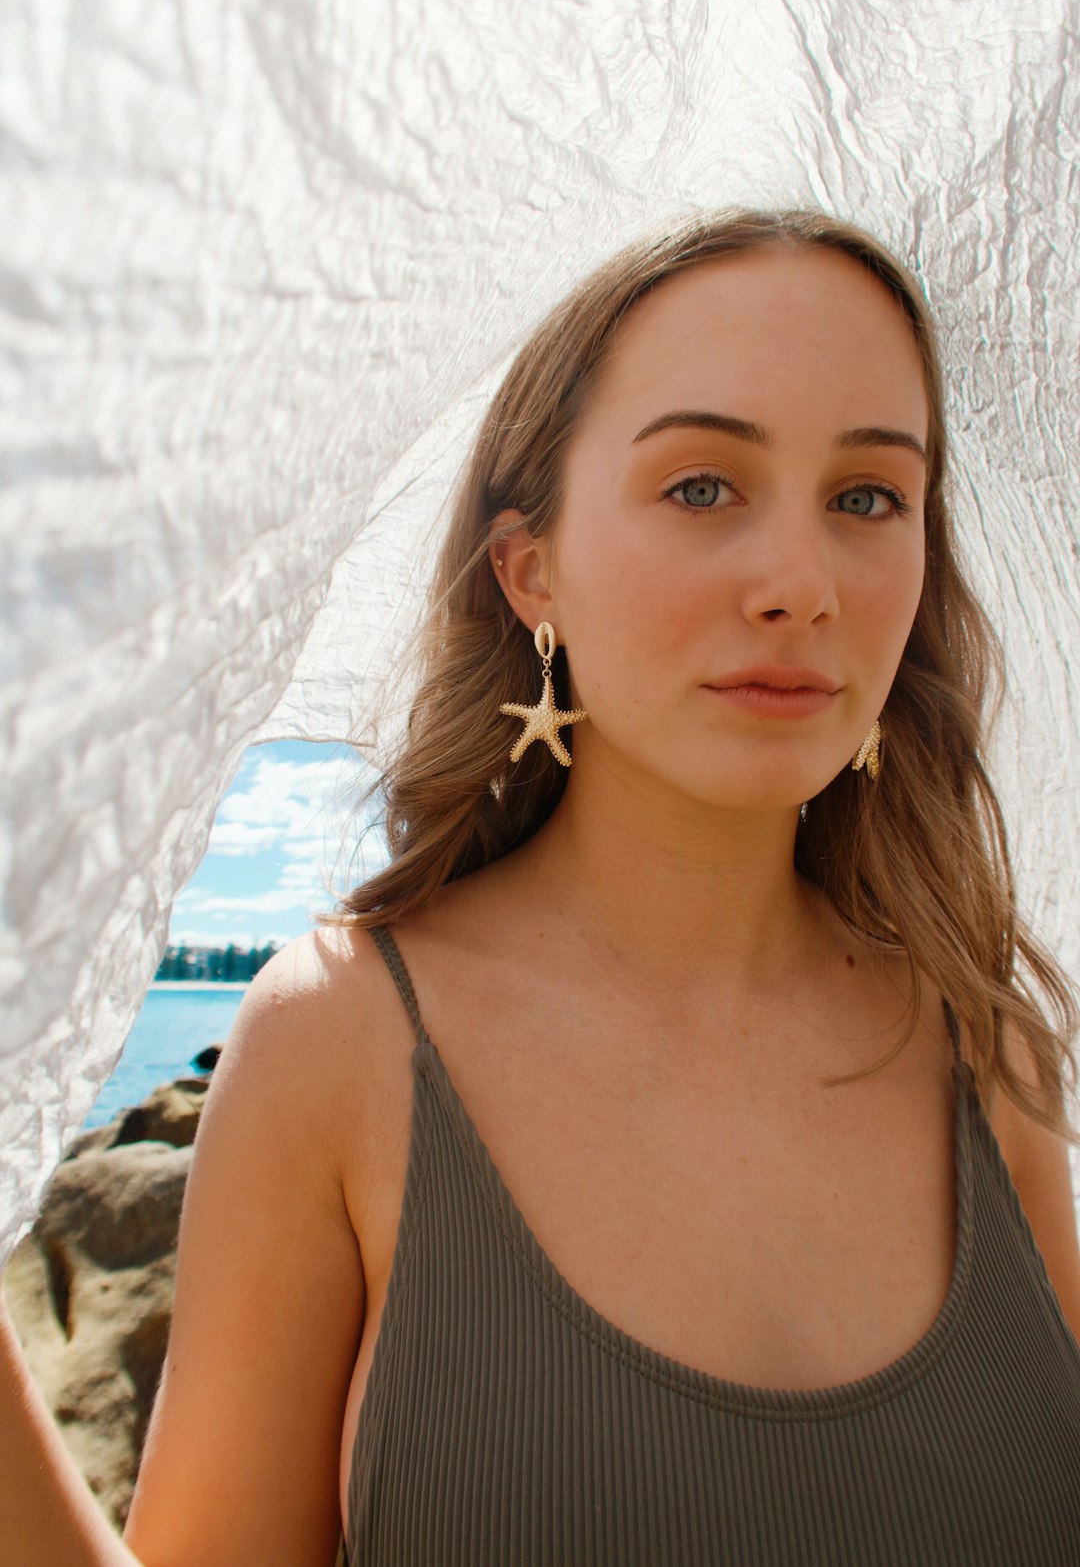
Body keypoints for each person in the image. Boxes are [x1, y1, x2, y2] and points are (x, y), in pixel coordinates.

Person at [4, 207, 1080, 1566]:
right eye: (703, 486)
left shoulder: (984, 1048)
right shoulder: (343, 1041)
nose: (802, 583)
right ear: (531, 570)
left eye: (869, 497)